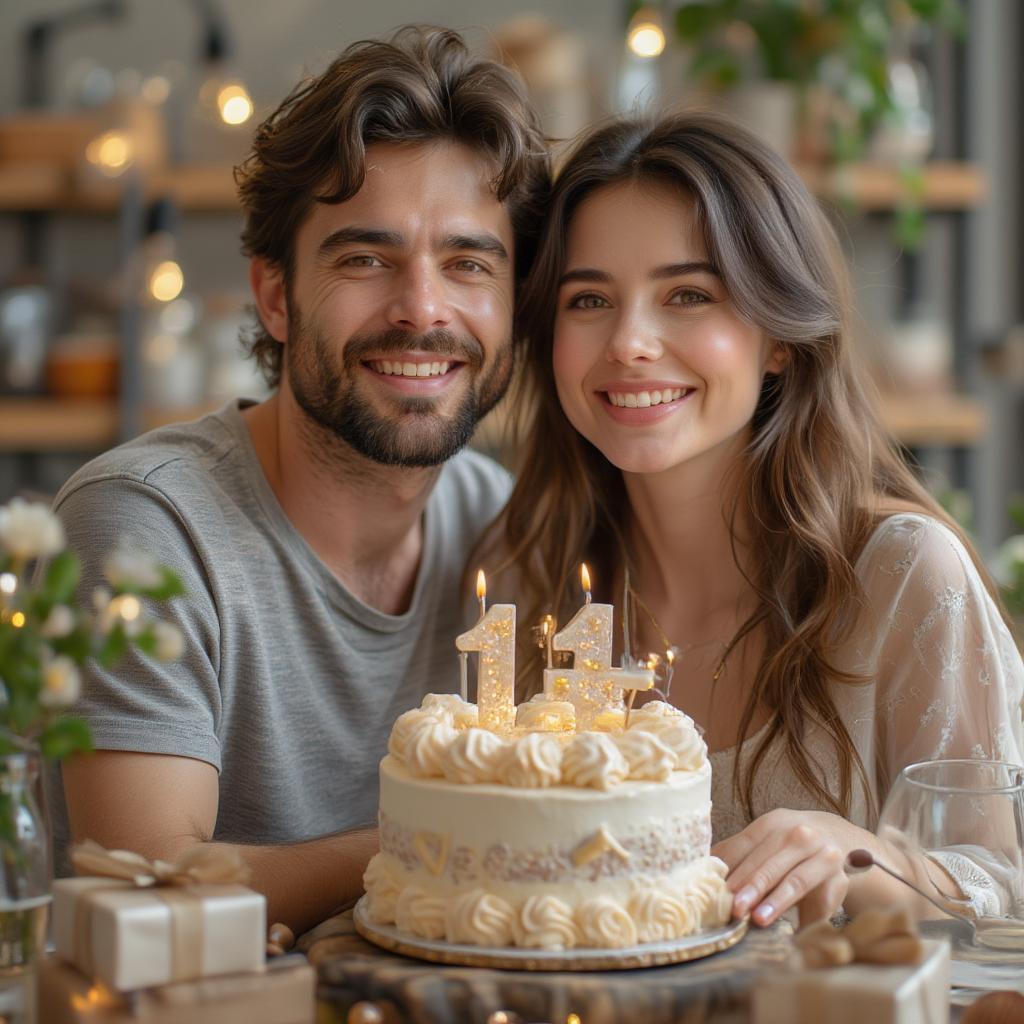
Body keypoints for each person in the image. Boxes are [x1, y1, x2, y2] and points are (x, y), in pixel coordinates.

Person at [50, 26, 550, 933]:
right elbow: (151, 888)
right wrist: (468, 831)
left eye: (469, 264)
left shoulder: (508, 526)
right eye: (365, 259)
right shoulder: (142, 529)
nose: (422, 308)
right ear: (276, 297)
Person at [480, 110, 1024, 929]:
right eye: (588, 298)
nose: (630, 341)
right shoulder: (532, 579)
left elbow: (1002, 884)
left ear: (778, 337)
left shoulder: (905, 574)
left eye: (688, 295)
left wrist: (858, 857)